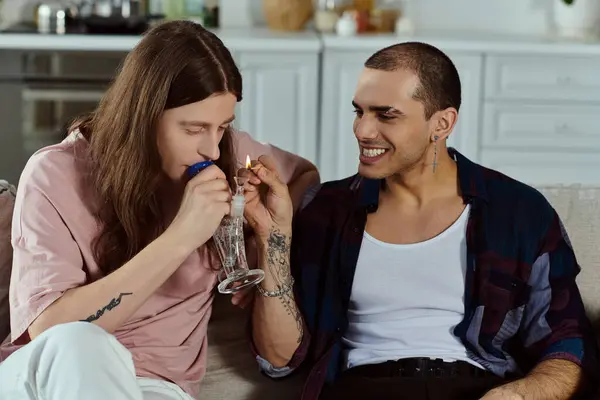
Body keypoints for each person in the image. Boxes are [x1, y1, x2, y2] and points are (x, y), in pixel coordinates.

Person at [250, 42, 599, 400]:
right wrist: (271, 236)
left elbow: (568, 343)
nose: (362, 130)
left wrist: (519, 396)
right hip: (361, 389)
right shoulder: (326, 210)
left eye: (386, 115)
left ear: (442, 124)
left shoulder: (519, 212)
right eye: (359, 112)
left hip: (475, 388)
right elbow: (281, 360)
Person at [0, 20, 319, 400]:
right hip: (45, 378)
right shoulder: (55, 173)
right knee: (81, 343)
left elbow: (304, 177)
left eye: (222, 127)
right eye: (193, 129)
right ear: (143, 117)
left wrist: (261, 245)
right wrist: (183, 236)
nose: (212, 149)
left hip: (157, 387)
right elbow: (51, 331)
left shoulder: (230, 156)